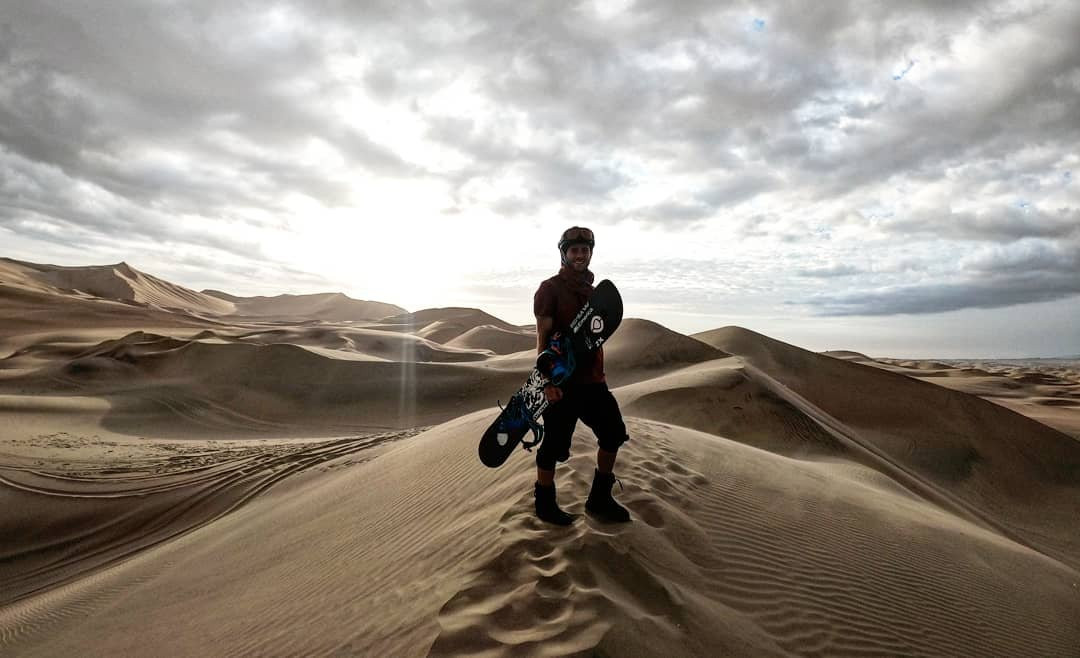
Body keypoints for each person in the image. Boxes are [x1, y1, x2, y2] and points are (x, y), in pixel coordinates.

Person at [531, 226, 631, 525]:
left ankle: (600, 498)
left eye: (585, 250)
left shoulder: (593, 291)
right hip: (562, 383)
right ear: (564, 253)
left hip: (594, 382)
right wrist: (547, 380)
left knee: (613, 433)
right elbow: (541, 338)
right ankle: (545, 503)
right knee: (554, 446)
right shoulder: (549, 289)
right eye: (574, 250)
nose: (580, 255)